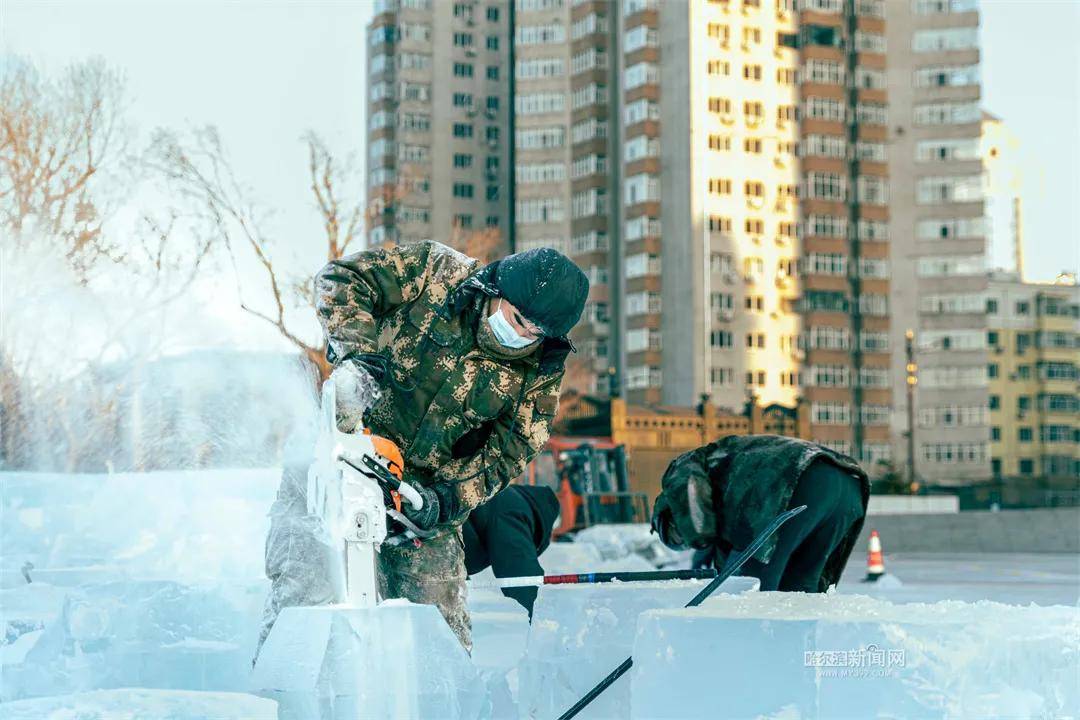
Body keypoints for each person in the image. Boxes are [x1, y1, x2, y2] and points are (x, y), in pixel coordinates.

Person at [259, 240, 587, 652]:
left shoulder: (539, 372)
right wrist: (359, 358)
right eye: (518, 319)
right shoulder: (436, 272)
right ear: (497, 291)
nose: (523, 335)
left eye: (537, 333)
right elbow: (340, 279)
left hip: (419, 501)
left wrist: (446, 499)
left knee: (439, 636)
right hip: (333, 463)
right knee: (306, 595)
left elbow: (512, 450)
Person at [651, 435, 868, 593]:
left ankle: (751, 653)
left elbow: (696, 513)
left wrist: (700, 540)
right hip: (848, 483)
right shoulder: (724, 480)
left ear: (670, 512)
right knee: (799, 588)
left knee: (752, 588)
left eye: (678, 536)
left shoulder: (683, 468)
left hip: (799, 480)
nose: (685, 540)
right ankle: (794, 651)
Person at [463, 484, 561, 618]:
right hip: (434, 544)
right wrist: (543, 620)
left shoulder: (505, 497)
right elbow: (521, 575)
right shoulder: (512, 510)